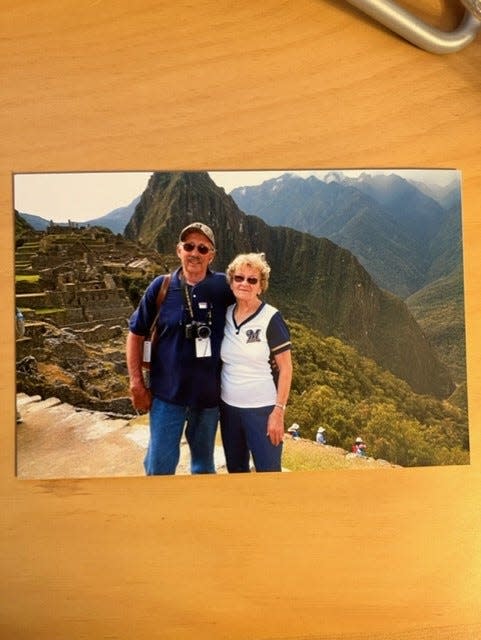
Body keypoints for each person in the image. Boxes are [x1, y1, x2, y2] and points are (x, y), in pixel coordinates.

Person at [126, 222, 234, 475]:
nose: (195, 253)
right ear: (178, 251)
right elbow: (136, 333)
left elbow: (251, 308)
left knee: (203, 465)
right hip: (166, 396)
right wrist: (136, 383)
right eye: (189, 246)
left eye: (202, 248)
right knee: (159, 465)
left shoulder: (224, 287)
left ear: (212, 255)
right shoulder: (161, 287)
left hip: (207, 399)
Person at [220, 253, 293, 473]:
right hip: (229, 410)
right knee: (237, 471)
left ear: (261, 286)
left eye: (252, 280)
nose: (244, 284)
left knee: (269, 472)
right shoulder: (224, 315)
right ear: (231, 281)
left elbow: (286, 368)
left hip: (262, 411)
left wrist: (278, 412)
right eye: (239, 278)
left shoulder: (271, 318)